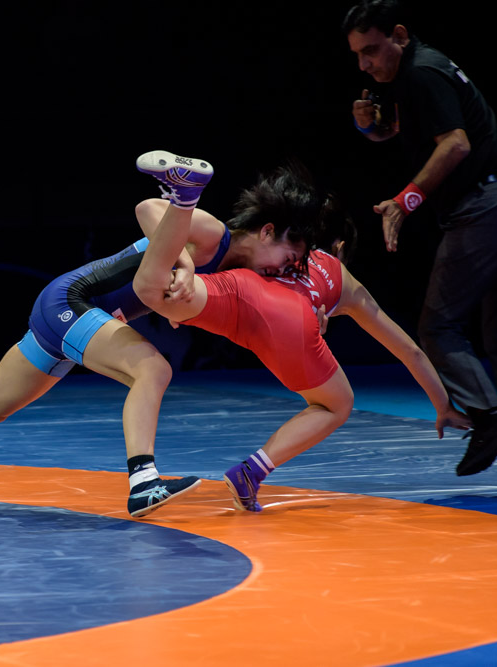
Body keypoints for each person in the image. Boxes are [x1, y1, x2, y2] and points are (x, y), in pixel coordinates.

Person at [0, 159, 311, 518]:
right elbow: (148, 207)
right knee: (152, 369)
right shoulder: (215, 238)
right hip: (72, 302)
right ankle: (143, 481)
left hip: (77, 312)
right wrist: (183, 263)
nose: (283, 270)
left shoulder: (235, 274)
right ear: (267, 231)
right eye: (288, 257)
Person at [132, 150, 470, 512]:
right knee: (337, 404)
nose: (290, 266)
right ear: (339, 248)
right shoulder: (345, 282)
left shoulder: (270, 254)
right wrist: (443, 406)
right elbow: (409, 351)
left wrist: (183, 295)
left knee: (156, 292)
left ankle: (183, 206)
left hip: (240, 290)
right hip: (289, 320)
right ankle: (250, 472)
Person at [342, 0, 497, 490]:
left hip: (487, 209)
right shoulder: (422, 74)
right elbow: (404, 133)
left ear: (399, 34)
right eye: (358, 55)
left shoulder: (420, 73)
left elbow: (456, 144)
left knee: (439, 325)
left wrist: (405, 201)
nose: (364, 64)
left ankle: (489, 420)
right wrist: (368, 126)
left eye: (371, 50)